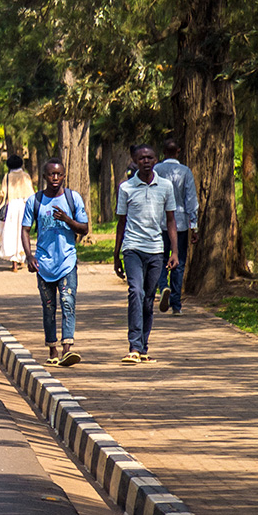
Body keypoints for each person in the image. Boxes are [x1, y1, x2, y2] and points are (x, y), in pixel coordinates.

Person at [115, 142, 179, 364]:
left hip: (156, 250)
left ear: (156, 159)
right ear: (134, 160)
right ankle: (133, 346)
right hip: (132, 248)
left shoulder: (166, 187)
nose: (145, 161)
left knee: (148, 299)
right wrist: (116, 254)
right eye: (141, 158)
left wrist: (174, 252)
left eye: (150, 157)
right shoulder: (126, 188)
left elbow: (171, 220)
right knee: (136, 292)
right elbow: (121, 223)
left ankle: (143, 347)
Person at [22, 158, 89, 366]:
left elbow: (84, 228)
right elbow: (25, 230)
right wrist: (29, 255)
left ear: (64, 176)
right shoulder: (35, 201)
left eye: (59, 174)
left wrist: (67, 220)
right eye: (51, 174)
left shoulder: (73, 198)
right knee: (49, 307)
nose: (55, 178)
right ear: (44, 176)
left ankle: (67, 349)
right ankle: (52, 349)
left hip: (67, 261)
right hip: (43, 263)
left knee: (68, 303)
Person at [156, 140, 198, 315]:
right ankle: (176, 304)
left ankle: (163, 287)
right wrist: (194, 225)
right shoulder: (185, 172)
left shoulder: (156, 170)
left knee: (160, 258)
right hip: (180, 223)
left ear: (163, 151)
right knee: (178, 262)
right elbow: (191, 199)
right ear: (178, 152)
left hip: (159, 222)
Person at [0, 160, 35, 267]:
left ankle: (14, 263)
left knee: (11, 233)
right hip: (24, 206)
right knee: (22, 232)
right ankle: (22, 256)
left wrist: (0, 204)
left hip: (11, 206)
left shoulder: (7, 176)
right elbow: (31, 192)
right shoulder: (26, 176)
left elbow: (2, 193)